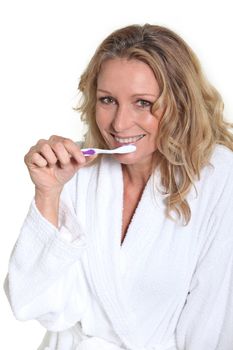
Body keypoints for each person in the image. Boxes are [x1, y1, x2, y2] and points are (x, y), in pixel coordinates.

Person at [4, 23, 233, 350]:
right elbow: (30, 303)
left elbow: (214, 321)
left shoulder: (218, 176)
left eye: (143, 103)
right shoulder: (76, 171)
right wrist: (48, 194)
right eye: (108, 100)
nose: (120, 123)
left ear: (181, 101)